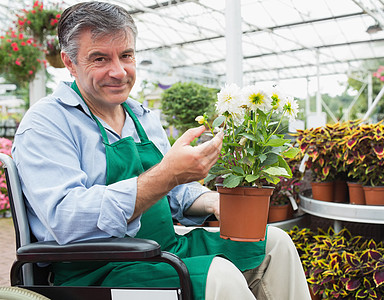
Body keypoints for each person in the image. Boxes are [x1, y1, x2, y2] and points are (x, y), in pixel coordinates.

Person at [12, 2, 311, 299]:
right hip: (95, 271)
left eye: (126, 55)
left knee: (275, 243)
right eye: (100, 58)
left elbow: (174, 195)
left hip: (162, 249)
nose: (119, 71)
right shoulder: (46, 124)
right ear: (69, 62)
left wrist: (214, 201)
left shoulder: (141, 116)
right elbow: (67, 219)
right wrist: (167, 175)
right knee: (219, 275)